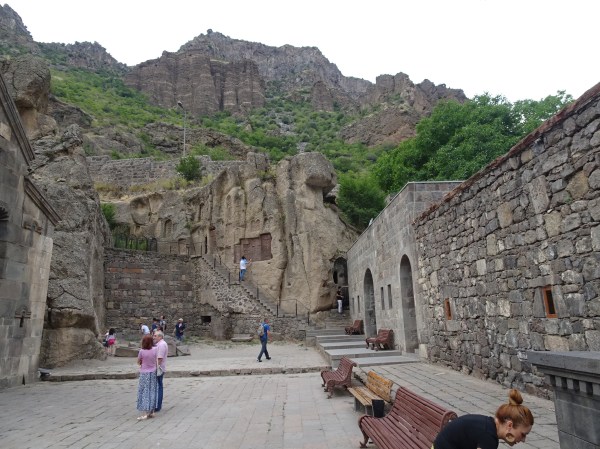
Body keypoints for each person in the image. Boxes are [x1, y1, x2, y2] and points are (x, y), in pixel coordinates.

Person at [432, 389, 534, 449]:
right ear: (510, 425)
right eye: (523, 434)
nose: (523, 440)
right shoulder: (489, 438)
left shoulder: (487, 425)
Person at [136, 334, 158, 420]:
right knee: (152, 391)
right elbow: (156, 359)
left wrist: (142, 361)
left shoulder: (141, 351)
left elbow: (138, 361)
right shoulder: (155, 349)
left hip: (144, 373)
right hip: (153, 372)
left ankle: (145, 413)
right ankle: (152, 411)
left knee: (144, 391)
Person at [153, 330, 168, 412]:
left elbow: (160, 358)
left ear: (160, 336)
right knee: (158, 385)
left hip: (159, 368)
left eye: (155, 336)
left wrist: (156, 367)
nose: (154, 337)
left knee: (159, 386)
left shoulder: (162, 345)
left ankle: (158, 405)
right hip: (159, 367)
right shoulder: (159, 344)